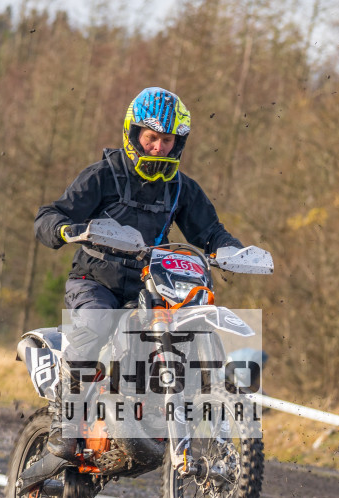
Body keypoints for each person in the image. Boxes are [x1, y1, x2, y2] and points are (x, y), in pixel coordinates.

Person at [33, 86, 250, 460]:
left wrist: (230, 250)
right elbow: (52, 214)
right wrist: (65, 230)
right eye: (151, 138)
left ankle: (170, 411)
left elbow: (210, 232)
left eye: (167, 140)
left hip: (149, 286)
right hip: (95, 281)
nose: (158, 148)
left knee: (183, 327)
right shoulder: (104, 175)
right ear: (134, 134)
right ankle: (63, 421)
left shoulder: (180, 187)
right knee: (99, 323)